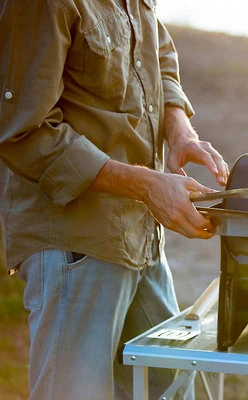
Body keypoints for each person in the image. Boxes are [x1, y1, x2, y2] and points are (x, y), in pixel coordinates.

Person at [0, 0, 228, 399]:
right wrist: (147, 186)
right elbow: (23, 133)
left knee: (173, 387)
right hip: (74, 245)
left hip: (141, 236)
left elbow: (158, 54)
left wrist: (180, 133)